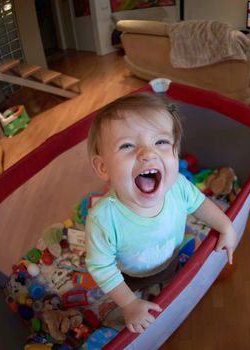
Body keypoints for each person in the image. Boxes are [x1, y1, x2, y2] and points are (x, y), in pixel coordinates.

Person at [85, 93, 237, 334]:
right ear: (103, 167)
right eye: (127, 145)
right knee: (126, 309)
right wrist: (129, 303)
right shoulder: (103, 219)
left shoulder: (177, 185)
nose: (147, 153)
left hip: (171, 258)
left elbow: (200, 204)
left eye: (161, 142)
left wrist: (226, 226)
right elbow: (102, 267)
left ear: (175, 152)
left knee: (174, 288)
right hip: (129, 274)